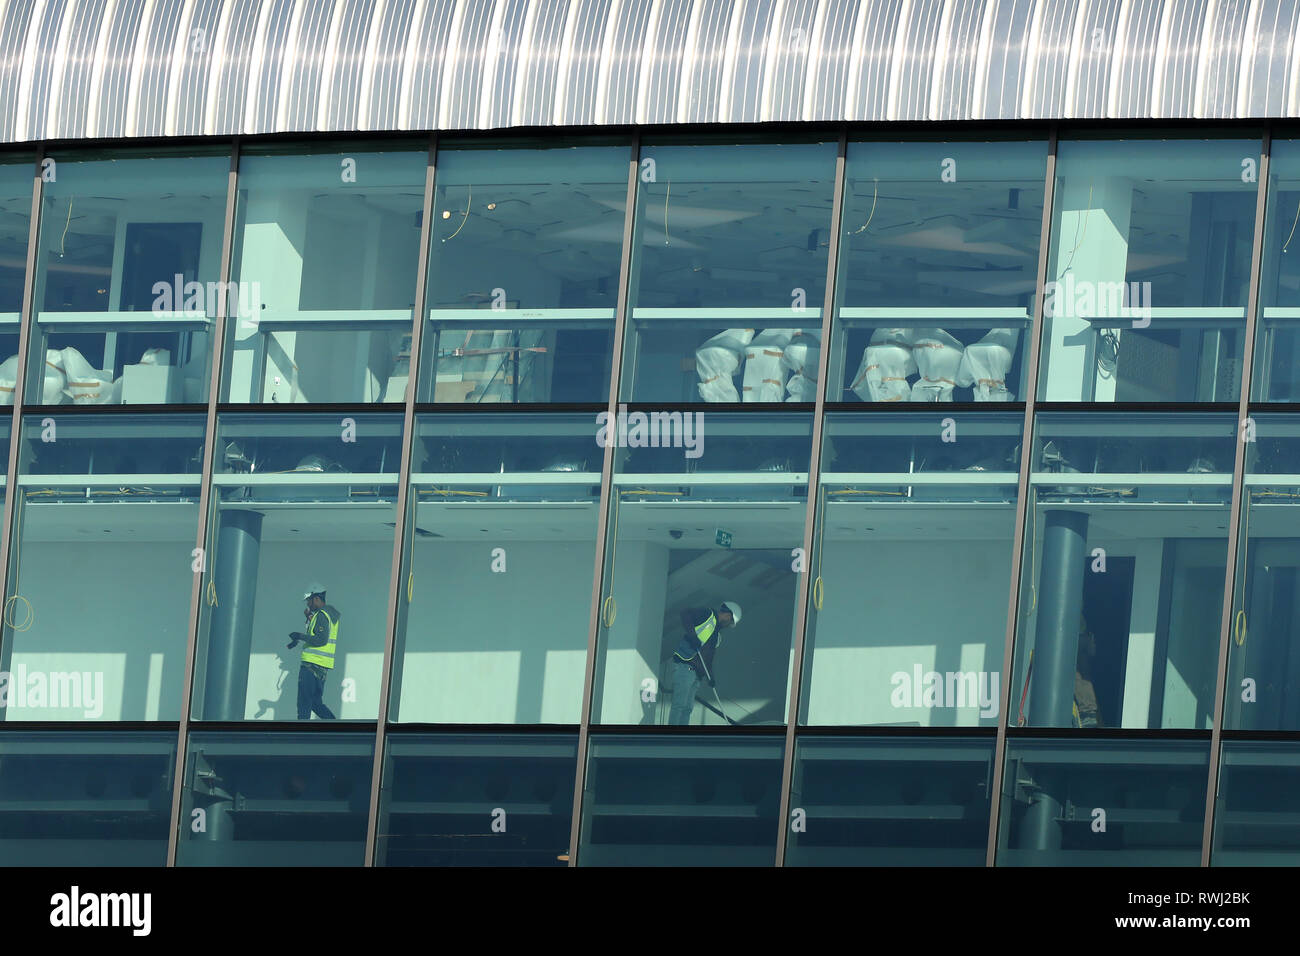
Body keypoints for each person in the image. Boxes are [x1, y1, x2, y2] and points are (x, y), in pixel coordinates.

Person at [668, 601, 742, 725]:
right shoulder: (707, 614)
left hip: (696, 674)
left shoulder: (717, 635)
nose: (729, 625)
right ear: (728, 615)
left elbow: (707, 658)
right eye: (730, 622)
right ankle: (672, 736)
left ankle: (681, 736)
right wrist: (693, 636)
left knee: (687, 708)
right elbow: (685, 613)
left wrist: (711, 677)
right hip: (685, 667)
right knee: (679, 705)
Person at [288, 581, 340, 720]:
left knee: (304, 704)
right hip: (321, 667)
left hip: (311, 666)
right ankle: (334, 727)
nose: (308, 604)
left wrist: (299, 635)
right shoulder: (328, 614)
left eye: (309, 601)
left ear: (316, 598)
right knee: (316, 704)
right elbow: (321, 633)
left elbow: (321, 639)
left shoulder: (322, 615)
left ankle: (301, 735)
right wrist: (309, 618)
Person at [1073, 616, 1103, 729]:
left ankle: (1088, 712)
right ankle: (1088, 713)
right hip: (1080, 635)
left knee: (1079, 675)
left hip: (1077, 635)